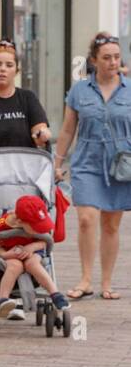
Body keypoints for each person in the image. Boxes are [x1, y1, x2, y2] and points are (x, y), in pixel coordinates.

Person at [54, 32, 130, 301]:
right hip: (86, 163)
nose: (112, 62)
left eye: (117, 57)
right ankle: (85, 279)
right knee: (87, 220)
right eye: (106, 58)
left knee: (111, 225)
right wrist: (58, 162)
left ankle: (106, 283)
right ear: (94, 60)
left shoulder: (129, 89)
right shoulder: (79, 91)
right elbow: (66, 130)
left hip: (121, 166)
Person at [0, 195, 69, 319]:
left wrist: (31, 247)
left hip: (34, 251)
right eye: (37, 227)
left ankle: (55, 294)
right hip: (12, 252)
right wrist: (6, 254)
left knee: (33, 264)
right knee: (14, 266)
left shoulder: (37, 222)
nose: (40, 229)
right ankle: (3, 300)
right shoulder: (1, 225)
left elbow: (45, 241)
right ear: (20, 222)